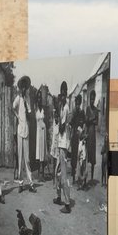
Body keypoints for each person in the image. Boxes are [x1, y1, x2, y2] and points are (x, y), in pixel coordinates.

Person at [53, 82, 73, 213]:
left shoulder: (65, 108)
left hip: (64, 144)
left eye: (65, 92)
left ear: (66, 94)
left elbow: (61, 128)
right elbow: (58, 123)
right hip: (60, 143)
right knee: (57, 172)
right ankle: (59, 196)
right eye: (62, 92)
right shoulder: (62, 107)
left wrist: (57, 115)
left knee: (64, 175)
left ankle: (67, 203)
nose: (63, 95)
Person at [13, 77, 36, 192]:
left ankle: (31, 183)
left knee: (27, 159)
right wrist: (17, 116)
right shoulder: (18, 98)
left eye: (24, 87)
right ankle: (21, 184)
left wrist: (27, 108)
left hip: (26, 130)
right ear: (20, 88)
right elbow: (13, 107)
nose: (23, 89)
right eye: (22, 87)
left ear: (26, 88)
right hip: (19, 130)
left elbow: (30, 114)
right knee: (20, 158)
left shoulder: (27, 99)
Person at [82, 87, 99, 189]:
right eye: (91, 99)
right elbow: (86, 120)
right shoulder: (88, 109)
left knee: (92, 157)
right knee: (86, 156)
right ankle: (84, 178)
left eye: (93, 99)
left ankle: (91, 178)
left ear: (95, 99)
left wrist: (91, 120)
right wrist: (92, 119)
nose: (92, 100)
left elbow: (96, 122)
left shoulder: (96, 110)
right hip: (88, 133)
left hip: (93, 135)